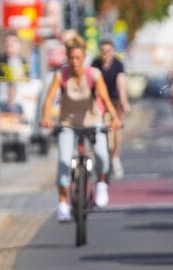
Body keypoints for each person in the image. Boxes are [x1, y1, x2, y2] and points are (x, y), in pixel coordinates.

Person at [40, 34, 121, 223]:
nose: (75, 62)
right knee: (63, 159)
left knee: (101, 153)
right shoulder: (61, 75)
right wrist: (46, 117)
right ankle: (63, 204)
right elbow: (50, 98)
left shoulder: (94, 75)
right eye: (71, 58)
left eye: (78, 58)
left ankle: (101, 183)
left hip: (93, 121)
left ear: (84, 58)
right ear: (67, 58)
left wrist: (114, 118)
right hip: (68, 124)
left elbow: (106, 99)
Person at [92, 39, 131, 179]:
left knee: (116, 127)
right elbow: (92, 83)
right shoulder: (95, 64)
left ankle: (115, 158)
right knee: (96, 127)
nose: (105, 54)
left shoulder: (118, 65)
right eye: (103, 51)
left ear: (113, 51)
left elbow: (121, 83)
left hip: (114, 100)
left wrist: (124, 102)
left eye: (108, 51)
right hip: (100, 101)